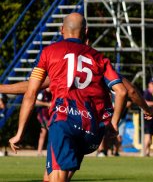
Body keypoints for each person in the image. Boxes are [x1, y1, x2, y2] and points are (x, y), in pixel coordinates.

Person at [8, 13, 128, 182]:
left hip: (63, 120)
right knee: (49, 178)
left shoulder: (48, 52)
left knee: (57, 179)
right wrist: (113, 123)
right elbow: (122, 91)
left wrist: (19, 133)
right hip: (91, 128)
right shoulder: (99, 57)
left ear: (61, 30)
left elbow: (31, 93)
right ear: (86, 31)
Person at [35, 88, 52, 156]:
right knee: (50, 131)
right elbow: (36, 102)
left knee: (44, 133)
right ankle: (41, 151)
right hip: (43, 115)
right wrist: (47, 104)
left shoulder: (52, 93)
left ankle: (40, 151)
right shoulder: (42, 93)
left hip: (49, 116)